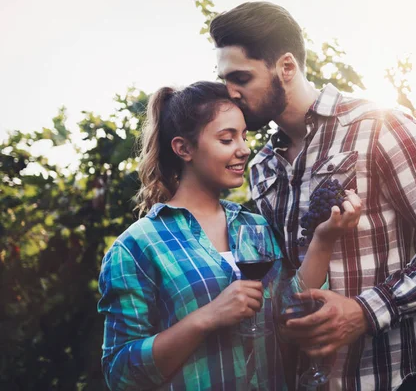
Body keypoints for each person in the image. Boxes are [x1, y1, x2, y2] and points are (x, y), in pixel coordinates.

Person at [210, 2, 416, 390]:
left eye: (241, 78)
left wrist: (365, 310)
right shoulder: (262, 166)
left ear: (286, 67)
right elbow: (286, 277)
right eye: (225, 80)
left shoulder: (378, 126)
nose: (231, 93)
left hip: (387, 377)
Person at [97, 81, 361, 390]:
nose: (244, 149)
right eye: (227, 138)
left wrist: (324, 239)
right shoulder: (137, 247)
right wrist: (205, 318)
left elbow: (291, 314)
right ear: (183, 148)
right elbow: (120, 373)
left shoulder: (254, 226)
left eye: (244, 136)